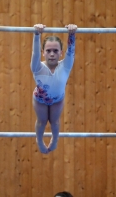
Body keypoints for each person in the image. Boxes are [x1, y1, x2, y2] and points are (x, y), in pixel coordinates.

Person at [31, 23, 77, 154]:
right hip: (39, 99)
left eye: (55, 51)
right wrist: (36, 34)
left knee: (55, 122)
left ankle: (55, 139)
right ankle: (39, 140)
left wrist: (72, 34)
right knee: (42, 121)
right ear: (43, 52)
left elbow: (71, 50)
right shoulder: (37, 67)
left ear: (61, 53)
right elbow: (34, 53)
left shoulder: (66, 65)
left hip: (58, 99)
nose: (52, 54)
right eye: (48, 51)